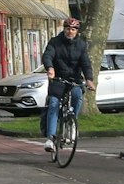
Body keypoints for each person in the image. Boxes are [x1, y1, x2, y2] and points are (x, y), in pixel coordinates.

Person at [38, 17, 95, 153]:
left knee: (77, 95)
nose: (70, 31)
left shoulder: (81, 45)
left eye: (73, 29)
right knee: (53, 103)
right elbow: (48, 55)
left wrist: (89, 79)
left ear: (77, 32)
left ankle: (72, 122)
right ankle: (51, 138)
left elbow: (86, 63)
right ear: (64, 29)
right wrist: (50, 68)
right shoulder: (55, 42)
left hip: (74, 79)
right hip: (58, 79)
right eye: (68, 29)